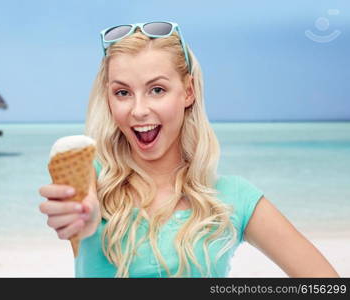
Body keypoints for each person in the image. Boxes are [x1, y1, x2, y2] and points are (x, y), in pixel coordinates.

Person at [38, 21, 339, 278]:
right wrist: (82, 215)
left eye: (157, 90)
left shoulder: (235, 199)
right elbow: (83, 215)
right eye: (123, 93)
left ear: (188, 92)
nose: (138, 110)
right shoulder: (93, 179)